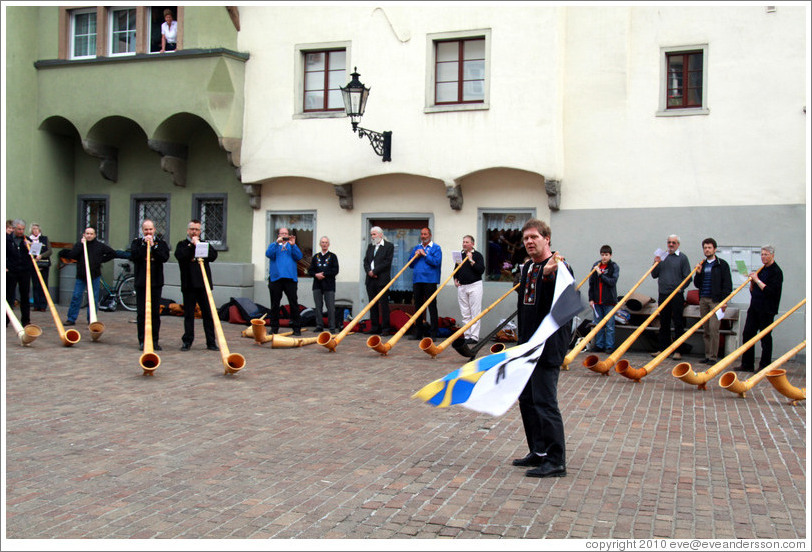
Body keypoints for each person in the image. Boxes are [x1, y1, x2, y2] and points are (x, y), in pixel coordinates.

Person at [511, 218, 572, 478]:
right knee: (527, 400)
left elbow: (566, 307)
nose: (529, 242)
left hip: (547, 348)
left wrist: (549, 275)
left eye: (534, 237)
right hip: (526, 346)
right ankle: (538, 451)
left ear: (547, 238)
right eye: (526, 238)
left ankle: (556, 459)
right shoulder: (528, 268)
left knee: (545, 402)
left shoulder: (560, 267)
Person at [736, 245, 784, 372]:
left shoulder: (776, 272)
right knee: (747, 334)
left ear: (772, 255)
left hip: (767, 309)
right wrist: (752, 283)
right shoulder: (762, 270)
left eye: (766, 254)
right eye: (762, 254)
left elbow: (770, 292)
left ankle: (765, 365)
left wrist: (757, 280)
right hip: (755, 307)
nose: (763, 257)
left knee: (765, 337)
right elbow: (755, 291)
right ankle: (747, 364)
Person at [174, 219, 219, 351]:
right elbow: (181, 256)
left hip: (203, 285)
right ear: (188, 230)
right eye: (192, 229)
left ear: (200, 231)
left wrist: (199, 245)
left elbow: (213, 256)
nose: (194, 232)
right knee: (189, 314)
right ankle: (187, 341)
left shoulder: (204, 244)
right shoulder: (182, 244)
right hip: (189, 285)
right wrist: (192, 246)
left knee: (208, 314)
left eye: (197, 229)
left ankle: (211, 342)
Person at [59, 227, 117, 326]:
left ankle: (91, 319)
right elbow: (72, 255)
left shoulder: (99, 246)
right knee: (76, 296)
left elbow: (112, 253)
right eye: (87, 233)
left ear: (94, 235)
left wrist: (101, 260)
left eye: (91, 234)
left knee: (93, 298)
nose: (89, 235)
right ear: (84, 235)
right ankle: (71, 318)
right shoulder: (80, 245)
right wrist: (81, 246)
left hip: (94, 275)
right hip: (81, 275)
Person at [130, 220, 170, 350]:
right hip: (142, 282)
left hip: (156, 282)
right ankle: (143, 340)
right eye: (146, 230)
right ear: (142, 230)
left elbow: (164, 258)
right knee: (142, 313)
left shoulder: (161, 243)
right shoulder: (136, 243)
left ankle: (154, 340)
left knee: (154, 314)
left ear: (154, 230)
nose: (148, 232)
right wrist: (144, 246)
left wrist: (153, 246)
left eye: (150, 230)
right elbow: (135, 257)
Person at [650, 234, 691, 360]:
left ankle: (678, 350)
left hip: (676, 295)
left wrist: (681, 288)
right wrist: (655, 263)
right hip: (663, 294)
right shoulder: (662, 256)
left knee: (678, 322)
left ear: (678, 244)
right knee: (664, 322)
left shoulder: (682, 258)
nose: (671, 245)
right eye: (669, 242)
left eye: (673, 242)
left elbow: (688, 277)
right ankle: (663, 349)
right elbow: (654, 274)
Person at [692, 238, 732, 364]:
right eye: (705, 248)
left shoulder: (722, 264)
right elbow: (697, 285)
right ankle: (708, 355)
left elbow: (727, 285)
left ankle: (713, 357)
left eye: (709, 247)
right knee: (706, 329)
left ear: (714, 249)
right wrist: (698, 273)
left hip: (716, 301)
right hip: (703, 299)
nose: (707, 250)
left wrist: (724, 301)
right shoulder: (702, 264)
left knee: (714, 329)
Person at [266, 227, 303, 336]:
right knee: (274, 305)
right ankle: (274, 328)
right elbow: (269, 254)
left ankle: (296, 328)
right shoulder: (274, 245)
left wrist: (293, 245)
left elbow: (299, 257)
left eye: (286, 233)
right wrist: (276, 244)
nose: (284, 235)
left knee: (294, 304)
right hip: (276, 278)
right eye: (282, 233)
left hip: (290, 279)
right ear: (278, 235)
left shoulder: (291, 246)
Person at [408, 227, 443, 340]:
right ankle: (418, 333)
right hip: (417, 280)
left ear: (430, 235)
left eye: (425, 234)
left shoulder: (436, 248)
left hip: (430, 281)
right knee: (418, 307)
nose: (423, 236)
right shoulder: (416, 247)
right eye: (422, 234)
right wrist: (416, 256)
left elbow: (436, 262)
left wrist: (425, 255)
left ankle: (433, 334)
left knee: (432, 307)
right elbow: (410, 264)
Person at [587, 245, 620, 354]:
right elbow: (591, 283)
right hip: (597, 301)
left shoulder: (613, 267)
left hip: (609, 301)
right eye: (602, 255)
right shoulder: (596, 265)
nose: (604, 257)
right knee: (598, 324)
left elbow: (612, 282)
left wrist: (600, 275)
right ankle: (599, 345)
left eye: (606, 255)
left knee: (609, 325)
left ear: (610, 255)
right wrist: (591, 298)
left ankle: (609, 346)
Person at [362, 226, 394, 335]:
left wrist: (375, 271)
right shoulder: (370, 246)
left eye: (374, 234)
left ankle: (385, 328)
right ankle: (374, 327)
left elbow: (387, 262)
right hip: (370, 280)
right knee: (372, 304)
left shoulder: (389, 246)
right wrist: (369, 272)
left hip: (382, 279)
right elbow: (365, 261)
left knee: (384, 304)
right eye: (371, 234)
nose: (372, 236)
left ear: (380, 234)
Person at [454, 235, 485, 344]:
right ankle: (467, 335)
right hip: (462, 286)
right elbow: (456, 269)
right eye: (463, 242)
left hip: (474, 285)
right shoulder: (460, 255)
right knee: (465, 313)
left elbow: (481, 270)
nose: (464, 244)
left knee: (475, 312)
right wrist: (455, 278)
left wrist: (471, 260)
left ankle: (474, 336)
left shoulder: (478, 255)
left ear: (472, 244)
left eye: (467, 242)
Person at [308, 236, 340, 333]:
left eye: (326, 242)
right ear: (320, 244)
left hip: (329, 285)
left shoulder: (333, 256)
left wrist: (324, 274)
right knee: (318, 306)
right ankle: (319, 325)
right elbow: (310, 270)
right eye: (322, 242)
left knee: (330, 307)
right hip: (317, 285)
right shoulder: (316, 257)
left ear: (328, 244)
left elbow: (335, 270)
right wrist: (316, 275)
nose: (324, 244)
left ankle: (332, 327)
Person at [6, 219, 32, 327]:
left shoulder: (27, 239)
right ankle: (5, 320)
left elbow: (34, 255)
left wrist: (30, 246)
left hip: (24, 271)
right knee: (8, 296)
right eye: (19, 229)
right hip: (11, 271)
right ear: (14, 228)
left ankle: (26, 321)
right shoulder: (7, 239)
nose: (21, 231)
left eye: (22, 229)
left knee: (25, 296)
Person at [28, 223, 52, 312]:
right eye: (33, 229)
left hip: (44, 264)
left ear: (39, 230)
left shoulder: (44, 239)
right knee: (35, 284)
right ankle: (36, 305)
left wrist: (41, 256)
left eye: (37, 229)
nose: (35, 230)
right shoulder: (28, 239)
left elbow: (50, 251)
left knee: (44, 284)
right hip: (33, 264)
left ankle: (43, 305)